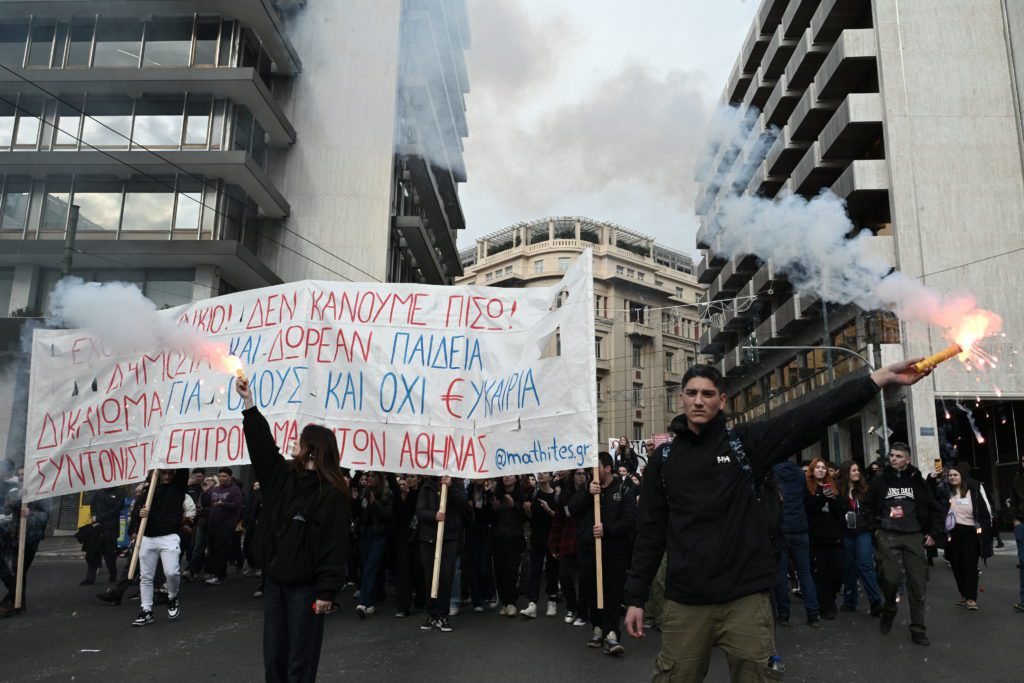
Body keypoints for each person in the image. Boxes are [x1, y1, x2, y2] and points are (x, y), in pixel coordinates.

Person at [624, 360, 929, 681]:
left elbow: (811, 416)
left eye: (708, 393)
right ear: (682, 398)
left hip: (745, 599)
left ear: (722, 400)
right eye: (691, 393)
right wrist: (635, 597)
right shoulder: (664, 459)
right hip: (686, 601)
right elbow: (650, 533)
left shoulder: (744, 444)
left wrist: (879, 379)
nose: (699, 400)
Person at [237, 375, 350, 683]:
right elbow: (261, 447)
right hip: (275, 582)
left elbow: (334, 545)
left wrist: (327, 590)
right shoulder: (282, 478)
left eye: (299, 442)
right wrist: (249, 405)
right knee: (274, 656)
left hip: (307, 589)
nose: (292, 444)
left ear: (312, 452)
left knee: (299, 661)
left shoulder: (332, 494)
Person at [864, 442, 944, 646]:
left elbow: (934, 508)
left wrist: (933, 534)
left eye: (899, 456)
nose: (893, 459)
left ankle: (918, 628)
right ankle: (889, 608)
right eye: (891, 455)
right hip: (887, 534)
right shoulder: (880, 479)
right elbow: (867, 506)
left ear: (907, 459)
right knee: (890, 578)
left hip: (913, 535)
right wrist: (874, 528)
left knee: (918, 584)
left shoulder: (916, 479)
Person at [571, 454, 636, 656]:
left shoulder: (624, 490)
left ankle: (611, 633)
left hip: (614, 552)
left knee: (612, 592)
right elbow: (573, 509)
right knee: (591, 591)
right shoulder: (588, 488)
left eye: (596, 466)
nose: (592, 471)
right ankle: (597, 629)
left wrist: (607, 529)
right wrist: (587, 493)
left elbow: (629, 522)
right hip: (589, 550)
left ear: (607, 469)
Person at [132, 468, 188, 627]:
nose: (167, 476)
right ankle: (147, 610)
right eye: (164, 473)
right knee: (146, 577)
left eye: (170, 473)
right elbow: (137, 513)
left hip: (169, 536)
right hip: (148, 537)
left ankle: (172, 596)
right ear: (157, 474)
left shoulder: (177, 488)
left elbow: (183, 467)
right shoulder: (147, 491)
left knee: (171, 572)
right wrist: (140, 514)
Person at [416, 475, 467, 632]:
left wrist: (451, 486)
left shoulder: (457, 484)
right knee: (430, 577)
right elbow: (420, 510)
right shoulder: (427, 486)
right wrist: (434, 516)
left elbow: (463, 502)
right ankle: (432, 614)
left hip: (449, 537)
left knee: (446, 576)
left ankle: (443, 615)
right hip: (428, 539)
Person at [772, 459, 820, 627]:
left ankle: (784, 614)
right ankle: (813, 614)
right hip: (800, 527)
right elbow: (805, 497)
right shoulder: (800, 474)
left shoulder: (773, 472)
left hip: (782, 528)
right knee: (805, 573)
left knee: (781, 574)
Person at [943, 463, 992, 610]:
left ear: (962, 477)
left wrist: (986, 531)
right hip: (953, 533)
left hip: (970, 532)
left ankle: (971, 598)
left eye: (955, 475)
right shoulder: (946, 492)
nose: (952, 477)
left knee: (969, 564)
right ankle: (963, 594)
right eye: (950, 475)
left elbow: (984, 512)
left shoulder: (973, 491)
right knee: (956, 564)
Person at [836, 461, 882, 616]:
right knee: (848, 567)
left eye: (858, 470)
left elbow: (872, 509)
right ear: (846, 472)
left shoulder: (865, 489)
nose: (857, 473)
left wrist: (874, 527)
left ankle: (876, 601)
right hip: (845, 533)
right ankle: (849, 601)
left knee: (865, 564)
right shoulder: (838, 491)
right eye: (854, 470)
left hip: (863, 531)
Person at [0, 487, 50, 618]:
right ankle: (17, 601)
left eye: (23, 474)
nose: (21, 477)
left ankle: (12, 601)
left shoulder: (42, 495)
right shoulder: (19, 493)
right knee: (16, 571)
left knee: (19, 570)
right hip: (15, 538)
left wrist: (31, 514)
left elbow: (45, 516)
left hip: (30, 540)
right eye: (20, 475)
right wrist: (12, 500)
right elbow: (7, 509)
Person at [804, 458, 843, 620]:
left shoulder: (833, 487)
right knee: (821, 573)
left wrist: (832, 498)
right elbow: (810, 508)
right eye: (817, 468)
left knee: (836, 573)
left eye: (823, 468)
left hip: (833, 536)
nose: (821, 470)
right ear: (812, 471)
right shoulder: (807, 487)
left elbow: (839, 511)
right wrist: (823, 497)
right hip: (816, 537)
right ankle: (826, 606)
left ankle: (830, 599)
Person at [550, 468, 586, 626]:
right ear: (573, 476)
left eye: (584, 474)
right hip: (568, 540)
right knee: (565, 577)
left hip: (585, 542)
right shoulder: (565, 495)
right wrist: (553, 543)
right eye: (578, 474)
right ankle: (572, 606)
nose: (581, 477)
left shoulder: (592, 495)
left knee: (585, 579)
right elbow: (558, 521)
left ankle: (584, 610)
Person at [354, 471, 393, 618]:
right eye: (368, 476)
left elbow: (387, 516)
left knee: (371, 566)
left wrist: (374, 503)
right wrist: (355, 501)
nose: (369, 479)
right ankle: (372, 601)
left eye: (373, 477)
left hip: (379, 534)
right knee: (367, 568)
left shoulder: (387, 494)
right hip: (365, 534)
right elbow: (358, 513)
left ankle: (363, 602)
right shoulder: (364, 492)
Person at [522, 471, 559, 618]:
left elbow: (559, 518)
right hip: (537, 537)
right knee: (535, 569)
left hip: (552, 538)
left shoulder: (555, 496)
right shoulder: (533, 495)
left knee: (552, 570)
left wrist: (548, 510)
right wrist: (528, 512)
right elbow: (531, 519)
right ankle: (532, 603)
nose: (541, 475)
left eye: (545, 474)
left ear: (550, 477)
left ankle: (552, 600)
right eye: (540, 473)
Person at [490, 475, 526, 616]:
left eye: (510, 475)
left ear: (516, 479)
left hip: (515, 537)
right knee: (499, 570)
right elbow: (490, 518)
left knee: (510, 570)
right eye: (504, 476)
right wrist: (493, 509)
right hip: (498, 537)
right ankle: (504, 602)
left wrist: (514, 506)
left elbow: (525, 517)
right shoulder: (496, 495)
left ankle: (511, 602)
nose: (506, 478)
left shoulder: (521, 495)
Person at [202, 467, 242, 586]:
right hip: (212, 524)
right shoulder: (215, 489)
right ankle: (213, 574)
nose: (221, 478)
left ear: (230, 477)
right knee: (212, 549)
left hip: (225, 525)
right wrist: (205, 492)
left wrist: (223, 503)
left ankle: (220, 576)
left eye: (224, 476)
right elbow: (205, 503)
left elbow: (237, 505)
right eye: (220, 476)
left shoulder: (235, 490)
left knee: (221, 550)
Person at [393, 474, 425, 617]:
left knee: (419, 570)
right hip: (403, 537)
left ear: (419, 479)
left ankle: (421, 600)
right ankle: (403, 606)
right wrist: (403, 497)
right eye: (409, 477)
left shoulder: (423, 493)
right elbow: (395, 514)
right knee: (403, 572)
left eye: (413, 477)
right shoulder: (400, 493)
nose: (410, 480)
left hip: (420, 537)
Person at [82, 485, 122, 585]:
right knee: (92, 553)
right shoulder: (98, 492)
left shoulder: (120, 492)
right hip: (97, 528)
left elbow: (115, 511)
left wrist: (98, 518)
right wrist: (94, 518)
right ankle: (90, 578)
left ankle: (113, 574)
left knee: (110, 554)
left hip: (111, 529)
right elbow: (93, 506)